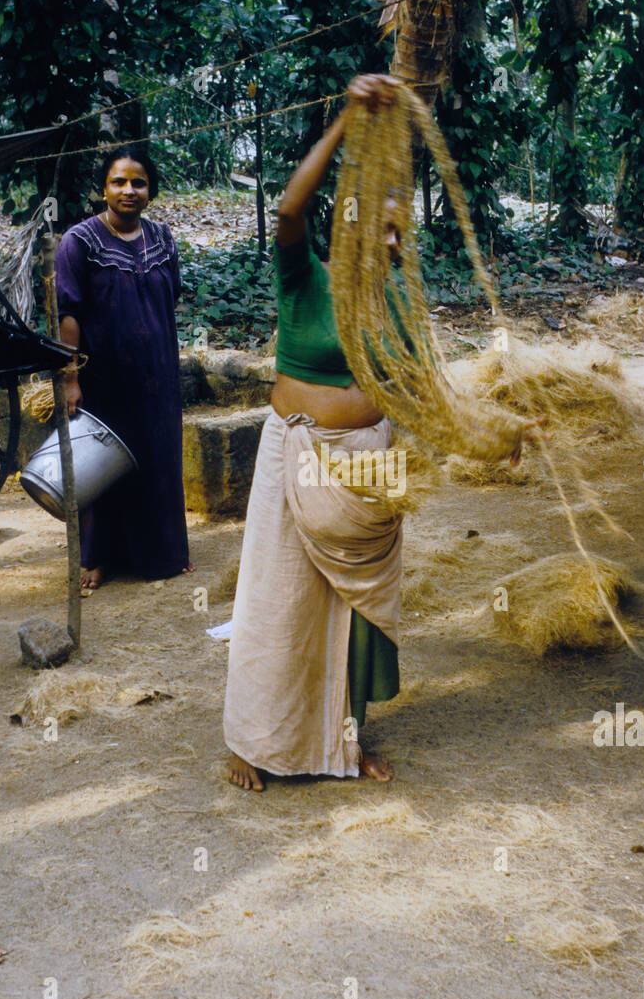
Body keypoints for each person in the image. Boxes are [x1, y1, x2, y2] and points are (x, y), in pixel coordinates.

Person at [224, 74, 542, 791]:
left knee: (355, 612)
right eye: (379, 223)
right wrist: (345, 119)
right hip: (297, 455)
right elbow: (288, 207)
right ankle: (252, 741)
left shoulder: (402, 306)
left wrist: (505, 434)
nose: (390, 238)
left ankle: (345, 742)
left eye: (402, 230)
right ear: (351, 225)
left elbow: (435, 399)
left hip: (370, 466)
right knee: (278, 601)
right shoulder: (305, 275)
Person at [54, 146, 192, 589]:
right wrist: (71, 378)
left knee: (159, 462)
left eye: (138, 182)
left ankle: (164, 554)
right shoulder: (79, 242)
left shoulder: (164, 238)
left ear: (149, 190)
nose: (129, 190)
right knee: (102, 467)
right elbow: (68, 314)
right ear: (104, 189)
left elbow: (167, 300)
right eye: (119, 182)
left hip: (158, 377)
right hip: (103, 381)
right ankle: (97, 558)